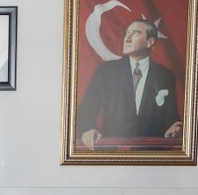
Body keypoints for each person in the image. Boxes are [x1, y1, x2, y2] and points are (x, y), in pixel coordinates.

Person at [75, 18, 182, 146]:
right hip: (113, 152)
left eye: (135, 33)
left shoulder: (165, 76)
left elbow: (171, 116)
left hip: (151, 154)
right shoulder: (106, 71)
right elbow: (89, 106)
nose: (127, 38)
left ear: (150, 42)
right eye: (127, 33)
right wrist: (88, 128)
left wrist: (175, 127)